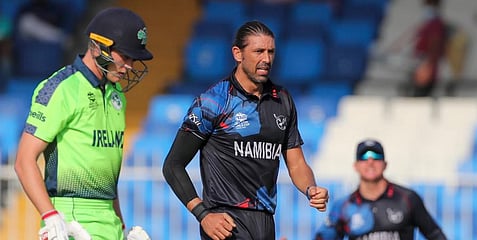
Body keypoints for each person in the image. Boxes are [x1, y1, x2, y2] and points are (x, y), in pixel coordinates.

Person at [162, 20, 329, 240]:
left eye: (271, 52)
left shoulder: (283, 100)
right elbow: (173, 165)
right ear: (237, 54)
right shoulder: (214, 101)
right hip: (225, 224)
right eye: (258, 51)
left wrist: (311, 189)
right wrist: (202, 214)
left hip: (265, 223)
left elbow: (296, 163)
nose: (266, 59)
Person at [14, 7, 153, 240]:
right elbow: (23, 161)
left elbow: (106, 169)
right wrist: (50, 215)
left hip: (109, 220)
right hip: (71, 220)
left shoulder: (117, 94)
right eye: (124, 56)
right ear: (98, 47)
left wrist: (120, 226)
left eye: (133, 59)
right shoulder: (62, 88)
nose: (129, 65)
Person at [314, 139, 447, 240]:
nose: (370, 162)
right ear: (356, 166)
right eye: (364, 157)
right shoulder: (344, 206)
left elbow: (435, 234)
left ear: (385, 164)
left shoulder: (407, 198)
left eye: (376, 157)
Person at [411, 0, 447, 97]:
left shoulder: (435, 23)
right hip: (423, 67)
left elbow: (434, 44)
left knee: (421, 97)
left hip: (426, 70)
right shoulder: (429, 23)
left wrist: (427, 67)